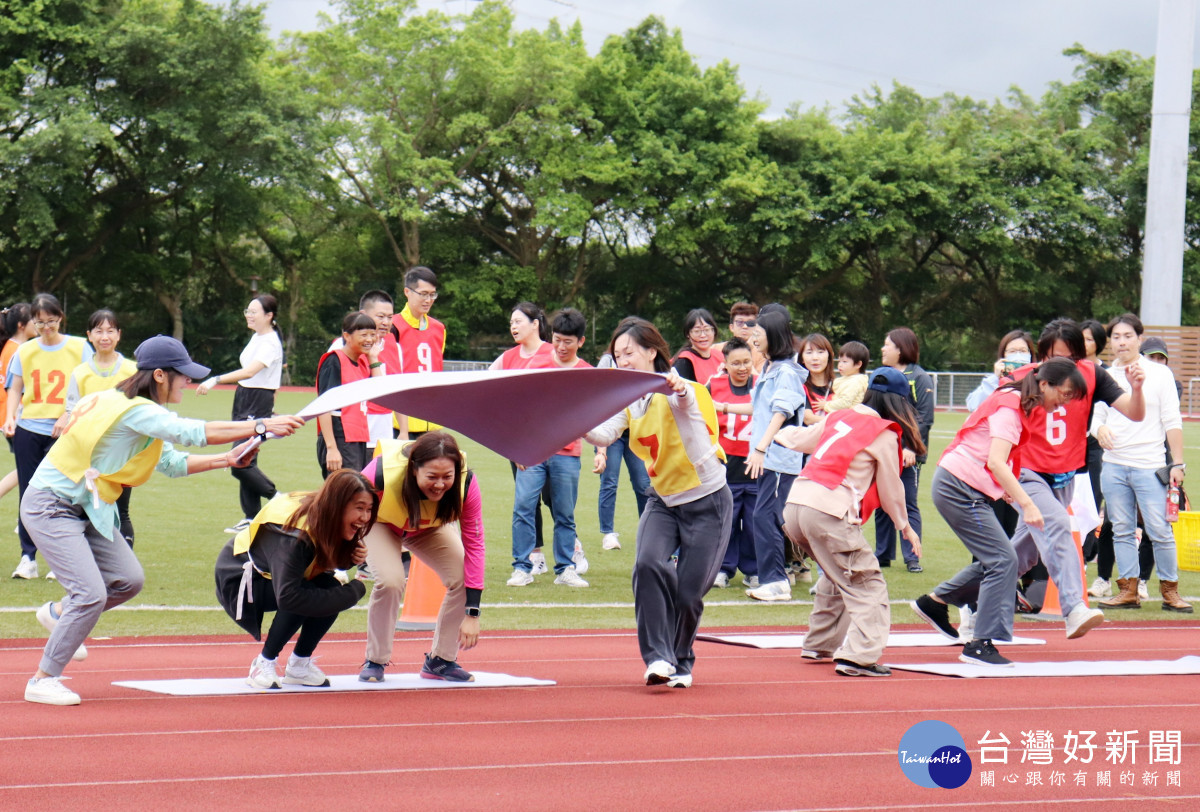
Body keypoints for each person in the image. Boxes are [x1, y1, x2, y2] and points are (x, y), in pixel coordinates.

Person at [21, 335, 304, 705]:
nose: (188, 381)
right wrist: (262, 425)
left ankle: (59, 614)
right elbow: (192, 433)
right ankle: (43, 678)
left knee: (128, 580)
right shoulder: (139, 410)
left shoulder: (130, 405)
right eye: (183, 375)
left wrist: (226, 459)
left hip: (88, 507)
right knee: (89, 594)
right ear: (158, 375)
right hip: (52, 506)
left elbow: (171, 462)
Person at [585, 317, 732, 688]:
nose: (623, 361)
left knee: (688, 592)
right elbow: (605, 432)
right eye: (617, 356)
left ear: (652, 351)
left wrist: (678, 387)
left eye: (629, 352)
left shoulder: (686, 390)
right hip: (663, 500)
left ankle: (682, 661)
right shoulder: (630, 399)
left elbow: (684, 404)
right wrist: (573, 423)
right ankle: (658, 658)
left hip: (707, 501)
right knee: (648, 565)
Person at [913, 358, 1086, 666]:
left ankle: (936, 602)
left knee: (1002, 558)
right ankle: (980, 643)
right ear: (1045, 384)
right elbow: (994, 460)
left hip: (962, 486)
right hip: (958, 487)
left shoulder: (1016, 402)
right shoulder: (1011, 407)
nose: (1065, 401)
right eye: (1065, 392)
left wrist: (1004, 491)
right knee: (1004, 560)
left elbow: (992, 458)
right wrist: (1027, 502)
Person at [774, 367, 924, 677]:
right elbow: (891, 488)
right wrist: (904, 525)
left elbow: (800, 439)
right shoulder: (883, 433)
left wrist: (777, 431)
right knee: (867, 583)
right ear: (899, 404)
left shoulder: (838, 417)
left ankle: (820, 643)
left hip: (796, 506)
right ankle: (860, 655)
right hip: (829, 511)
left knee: (835, 571)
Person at [216, 469, 374, 689]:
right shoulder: (293, 535)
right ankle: (263, 663)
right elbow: (290, 597)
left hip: (272, 575)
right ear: (338, 505)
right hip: (241, 577)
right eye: (359, 508)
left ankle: (299, 664)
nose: (365, 517)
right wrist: (353, 592)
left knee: (328, 586)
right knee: (308, 592)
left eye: (368, 509)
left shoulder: (325, 512)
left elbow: (323, 562)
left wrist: (349, 558)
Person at [358, 432, 485, 683]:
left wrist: (473, 613)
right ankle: (376, 660)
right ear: (413, 469)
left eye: (447, 477)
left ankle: (441, 661)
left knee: (462, 576)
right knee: (391, 580)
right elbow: (349, 510)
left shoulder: (466, 484)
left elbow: (475, 545)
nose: (440, 484)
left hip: (427, 527)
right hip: (381, 524)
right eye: (432, 477)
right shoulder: (379, 475)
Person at [1093, 315, 1191, 612]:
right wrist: (1100, 430)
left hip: (1149, 465)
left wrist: (1178, 463)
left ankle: (1170, 592)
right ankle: (1128, 590)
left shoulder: (1159, 375)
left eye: (1127, 336)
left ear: (1139, 338)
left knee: (1159, 530)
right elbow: (1096, 417)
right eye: (1116, 337)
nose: (1121, 342)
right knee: (1121, 529)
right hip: (1113, 465)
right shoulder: (1105, 375)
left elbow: (1172, 421)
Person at [4, 293, 92, 580]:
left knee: (65, 494)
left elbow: (90, 388)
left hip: (67, 431)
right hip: (30, 428)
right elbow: (15, 388)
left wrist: (69, 415)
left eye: (50, 321)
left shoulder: (80, 347)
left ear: (60, 318)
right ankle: (27, 557)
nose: (45, 327)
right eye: (39, 323)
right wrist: (10, 417)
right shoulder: (25, 350)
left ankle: (62, 559)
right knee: (29, 493)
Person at [507, 309, 595, 587]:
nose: (561, 346)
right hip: (533, 451)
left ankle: (566, 569)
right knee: (523, 507)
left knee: (564, 513)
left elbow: (597, 415)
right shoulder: (536, 365)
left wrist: (601, 451)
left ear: (580, 342)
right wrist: (517, 447)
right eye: (557, 339)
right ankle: (522, 568)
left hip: (568, 453)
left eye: (568, 341)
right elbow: (520, 409)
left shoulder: (588, 373)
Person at [195, 294, 286, 534]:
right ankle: (251, 517)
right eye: (248, 310)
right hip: (246, 398)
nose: (249, 315)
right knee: (246, 459)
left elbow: (250, 372)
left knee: (239, 461)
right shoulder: (258, 338)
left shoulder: (269, 342)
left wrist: (215, 379)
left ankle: (277, 498)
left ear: (269, 316)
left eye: (254, 311)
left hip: (256, 399)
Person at [745, 309, 807, 602]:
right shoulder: (770, 369)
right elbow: (761, 410)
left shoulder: (785, 372)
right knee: (772, 516)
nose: (754, 336)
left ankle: (776, 581)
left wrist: (760, 449)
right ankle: (778, 578)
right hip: (769, 456)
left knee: (767, 515)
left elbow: (781, 412)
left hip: (778, 458)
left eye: (759, 332)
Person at [63, 310, 138, 550]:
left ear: (119, 335)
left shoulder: (132, 370)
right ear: (89, 335)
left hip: (123, 452)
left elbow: (141, 409)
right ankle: (85, 561)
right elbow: (72, 411)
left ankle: (125, 566)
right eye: (99, 331)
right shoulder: (81, 373)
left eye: (110, 331)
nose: (104, 336)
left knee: (121, 509)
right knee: (86, 508)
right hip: (89, 454)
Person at [491, 302, 554, 573]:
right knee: (528, 501)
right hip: (519, 441)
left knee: (556, 499)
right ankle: (535, 555)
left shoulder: (553, 353)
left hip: (552, 440)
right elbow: (487, 387)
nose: (513, 327)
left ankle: (572, 548)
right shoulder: (507, 358)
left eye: (518, 321)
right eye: (511, 323)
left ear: (535, 323)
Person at [874, 327, 934, 573]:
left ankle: (912, 556)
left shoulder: (919, 377)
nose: (883, 349)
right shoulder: (882, 375)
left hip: (907, 454)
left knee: (907, 502)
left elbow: (924, 418)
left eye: (887, 345)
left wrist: (909, 446)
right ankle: (883, 554)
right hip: (883, 450)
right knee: (881, 503)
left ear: (900, 348)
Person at [708, 337, 758, 589]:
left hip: (755, 465)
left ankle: (753, 569)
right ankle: (723, 568)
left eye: (746, 362)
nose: (742, 367)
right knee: (725, 520)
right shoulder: (713, 385)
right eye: (735, 363)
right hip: (725, 466)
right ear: (725, 364)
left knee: (753, 522)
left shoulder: (762, 384)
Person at [594, 350, 652, 552]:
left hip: (634, 431)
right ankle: (608, 533)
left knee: (643, 483)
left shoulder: (643, 365)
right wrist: (601, 451)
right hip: (611, 431)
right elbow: (599, 401)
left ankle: (648, 531)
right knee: (609, 480)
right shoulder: (607, 362)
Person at [316, 311, 384, 479]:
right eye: (364, 335)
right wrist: (331, 448)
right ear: (346, 335)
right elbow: (323, 405)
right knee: (344, 495)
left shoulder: (362, 362)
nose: (369, 339)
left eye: (372, 335)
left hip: (358, 438)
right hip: (340, 438)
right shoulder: (334, 361)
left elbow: (380, 391)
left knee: (356, 493)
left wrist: (373, 357)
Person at [390, 268, 446, 440]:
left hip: (433, 422)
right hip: (402, 425)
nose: (428, 300)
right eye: (423, 294)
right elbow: (392, 380)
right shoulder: (393, 326)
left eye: (432, 295)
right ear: (407, 292)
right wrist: (404, 431)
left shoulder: (439, 328)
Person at [0, 303, 35, 508]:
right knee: (31, 469)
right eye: (34, 319)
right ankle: (29, 518)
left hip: (10, 417)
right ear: (22, 325)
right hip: (18, 418)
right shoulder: (21, 351)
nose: (38, 324)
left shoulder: (10, 347)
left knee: (29, 468)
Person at [965, 330, 1036, 411]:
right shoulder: (995, 381)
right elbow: (973, 405)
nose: (1018, 355)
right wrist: (995, 378)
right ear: (1003, 355)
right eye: (1012, 351)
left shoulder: (1038, 378)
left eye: (1023, 351)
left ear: (1030, 354)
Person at [672, 308, 725, 385]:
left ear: (714, 331)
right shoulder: (684, 361)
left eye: (707, 330)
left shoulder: (720, 356)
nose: (703, 335)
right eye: (697, 331)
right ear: (688, 334)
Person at [821, 340, 869, 413]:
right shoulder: (848, 379)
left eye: (844, 362)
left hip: (849, 418)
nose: (840, 365)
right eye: (839, 361)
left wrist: (826, 405)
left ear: (858, 364)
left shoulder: (855, 382)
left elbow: (845, 403)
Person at [798, 333, 836, 424]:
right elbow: (808, 419)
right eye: (809, 352)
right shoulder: (799, 387)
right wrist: (839, 421)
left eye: (820, 352)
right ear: (802, 358)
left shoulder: (840, 386)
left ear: (830, 356)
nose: (815, 358)